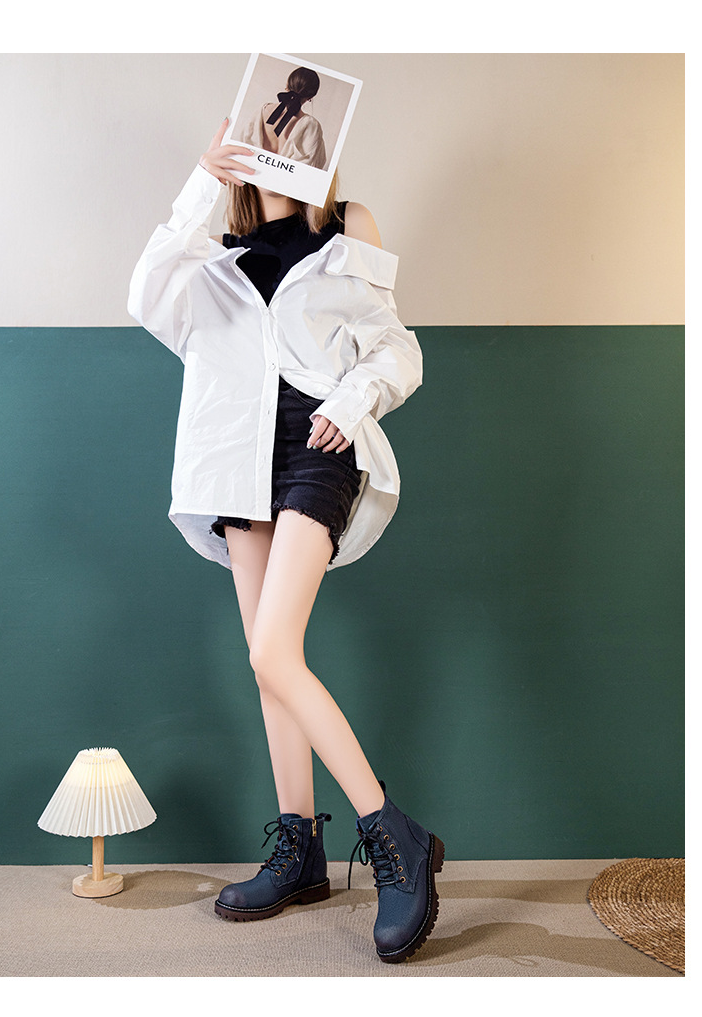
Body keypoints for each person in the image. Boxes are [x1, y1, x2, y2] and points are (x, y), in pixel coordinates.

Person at [128, 118, 443, 964]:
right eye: (268, 133)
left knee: (273, 650)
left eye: (302, 137)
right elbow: (145, 296)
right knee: (269, 665)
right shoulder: (211, 256)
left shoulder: (348, 228)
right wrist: (201, 181)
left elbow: (394, 347)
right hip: (235, 457)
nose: (285, 148)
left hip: (319, 442)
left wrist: (354, 399)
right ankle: (299, 848)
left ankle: (393, 834)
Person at [235, 65, 327, 168]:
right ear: (311, 96)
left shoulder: (263, 110)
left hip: (249, 173)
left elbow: (240, 145)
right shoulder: (311, 125)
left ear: (287, 85)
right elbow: (313, 166)